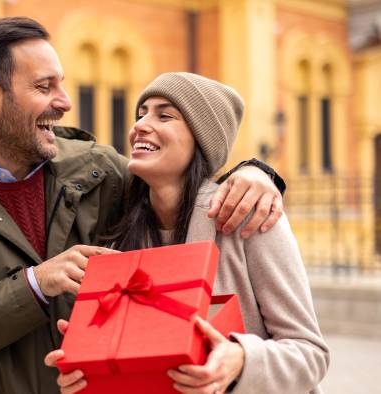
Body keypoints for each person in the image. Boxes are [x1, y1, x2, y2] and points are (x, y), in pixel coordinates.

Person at [0, 18, 285, 394]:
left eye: (61, 84)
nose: (65, 102)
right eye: (44, 87)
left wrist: (256, 171)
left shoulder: (98, 168)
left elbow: (176, 175)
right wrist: (35, 285)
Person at [45, 73, 329, 394]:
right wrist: (91, 370)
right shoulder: (117, 236)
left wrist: (241, 360)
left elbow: (311, 354)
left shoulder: (250, 217)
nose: (140, 125)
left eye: (164, 115)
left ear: (201, 140)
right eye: (141, 114)